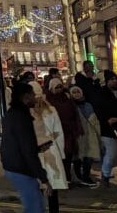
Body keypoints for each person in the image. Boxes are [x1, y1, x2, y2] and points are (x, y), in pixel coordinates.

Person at [2, 83, 49, 213]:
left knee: (34, 205)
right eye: (33, 94)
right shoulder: (21, 117)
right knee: (36, 208)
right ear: (26, 97)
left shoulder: (14, 113)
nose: (35, 97)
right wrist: (43, 177)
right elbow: (27, 149)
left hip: (14, 165)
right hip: (20, 168)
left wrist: (37, 148)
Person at [31, 83, 67, 213]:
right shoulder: (51, 110)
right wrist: (61, 153)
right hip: (51, 149)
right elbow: (59, 132)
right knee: (52, 184)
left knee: (39, 185)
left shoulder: (26, 113)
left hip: (36, 151)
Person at [45, 78, 85, 186]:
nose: (59, 90)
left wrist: (77, 128)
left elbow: (74, 113)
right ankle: (62, 177)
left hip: (69, 131)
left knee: (68, 155)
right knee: (60, 155)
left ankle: (67, 176)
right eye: (56, 87)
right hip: (57, 132)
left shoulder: (66, 98)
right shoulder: (48, 100)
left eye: (60, 87)